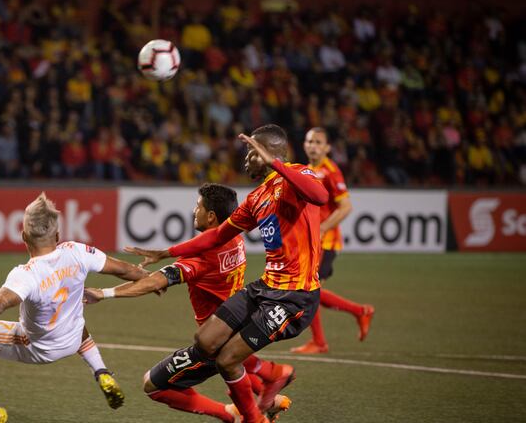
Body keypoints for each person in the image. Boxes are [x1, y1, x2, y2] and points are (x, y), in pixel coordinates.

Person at [127, 124, 328, 423]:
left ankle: (253, 418)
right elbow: (217, 236)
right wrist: (167, 252)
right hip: (265, 287)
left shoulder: (298, 177)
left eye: (252, 152)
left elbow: (320, 196)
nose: (246, 158)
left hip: (294, 297)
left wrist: (277, 164)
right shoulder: (256, 198)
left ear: (269, 153)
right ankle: (271, 376)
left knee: (228, 359)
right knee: (206, 340)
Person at [0, 193, 148, 423]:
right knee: (72, 311)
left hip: (38, 347)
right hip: (72, 338)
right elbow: (126, 270)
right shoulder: (78, 252)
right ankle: (101, 371)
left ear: (23, 236)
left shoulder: (26, 274)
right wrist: (150, 278)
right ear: (58, 235)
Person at [85, 183, 292, 422]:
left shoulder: (201, 257)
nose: (194, 211)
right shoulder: (235, 239)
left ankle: (236, 414)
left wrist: (104, 293)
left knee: (153, 385)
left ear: (211, 216)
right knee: (236, 365)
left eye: (198, 206)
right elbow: (160, 278)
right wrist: (154, 278)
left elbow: (155, 282)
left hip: (214, 339)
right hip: (236, 329)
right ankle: (269, 399)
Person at [291, 127, 375, 354]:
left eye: (318, 142)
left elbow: (346, 207)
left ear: (327, 147)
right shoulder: (308, 170)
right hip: (313, 242)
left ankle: (320, 341)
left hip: (326, 243)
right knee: (310, 291)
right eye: (309, 141)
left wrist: (323, 228)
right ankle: (359, 312)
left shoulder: (330, 171)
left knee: (308, 290)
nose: (313, 145)